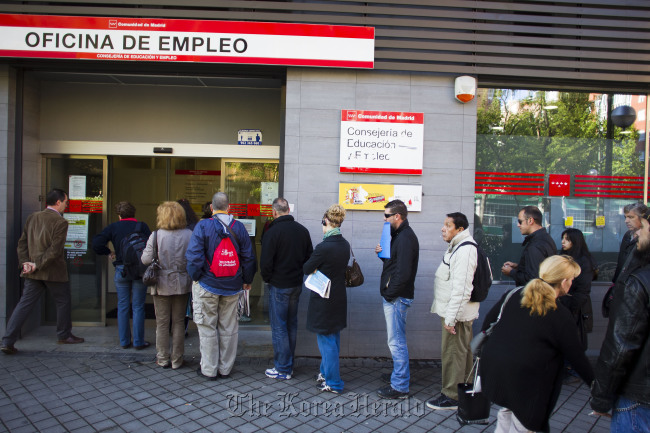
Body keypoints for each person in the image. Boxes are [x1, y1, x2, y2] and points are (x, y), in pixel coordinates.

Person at [480, 255, 594, 433]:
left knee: (506, 413)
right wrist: (598, 389)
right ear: (564, 282)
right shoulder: (560, 315)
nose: (572, 284)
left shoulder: (515, 293)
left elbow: (488, 323)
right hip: (527, 384)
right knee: (523, 425)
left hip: (497, 373)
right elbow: (577, 358)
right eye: (571, 280)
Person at [1, 189, 84, 354]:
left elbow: (22, 243)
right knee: (63, 302)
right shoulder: (60, 222)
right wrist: (37, 265)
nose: (66, 206)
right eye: (66, 202)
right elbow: (55, 250)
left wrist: (26, 263)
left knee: (24, 304)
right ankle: (64, 335)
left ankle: (7, 340)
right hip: (52, 271)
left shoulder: (33, 217)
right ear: (58, 202)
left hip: (33, 271)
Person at [185, 192, 257, 380]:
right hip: (233, 286)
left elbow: (194, 256)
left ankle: (209, 370)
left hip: (207, 284)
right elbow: (249, 257)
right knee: (229, 327)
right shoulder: (239, 227)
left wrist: (196, 277)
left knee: (207, 327)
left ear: (211, 208)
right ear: (229, 207)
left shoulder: (203, 226)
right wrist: (246, 281)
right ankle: (225, 369)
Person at [591, 210, 650, 432]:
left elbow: (621, 345)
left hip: (638, 397)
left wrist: (601, 397)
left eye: (642, 228)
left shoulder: (640, 282)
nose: (637, 235)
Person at [427, 212, 479, 410]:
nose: (443, 228)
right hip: (457, 313)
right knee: (461, 354)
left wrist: (451, 318)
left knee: (453, 353)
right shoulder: (458, 247)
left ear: (459, 229)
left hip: (456, 315)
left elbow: (462, 289)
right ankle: (464, 390)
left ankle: (451, 396)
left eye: (448, 225)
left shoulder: (465, 250)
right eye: (444, 224)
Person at [261, 197, 313, 380]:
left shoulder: (272, 232)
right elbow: (309, 257)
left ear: (274, 212)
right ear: (288, 211)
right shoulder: (302, 231)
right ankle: (288, 366)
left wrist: (267, 279)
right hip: (296, 284)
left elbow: (265, 263)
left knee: (279, 327)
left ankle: (283, 368)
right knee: (291, 325)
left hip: (279, 285)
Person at [374, 199, 420, 399]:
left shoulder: (405, 238)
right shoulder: (399, 235)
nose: (384, 219)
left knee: (397, 342)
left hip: (397, 298)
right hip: (396, 296)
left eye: (386, 216)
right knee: (396, 340)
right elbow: (396, 265)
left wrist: (389, 293)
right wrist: (383, 256)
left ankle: (400, 386)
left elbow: (403, 273)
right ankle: (398, 375)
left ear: (397, 217)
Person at [303, 204, 350, 393]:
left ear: (327, 222)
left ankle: (334, 382)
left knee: (326, 341)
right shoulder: (344, 244)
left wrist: (315, 267)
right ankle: (325, 372)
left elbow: (306, 268)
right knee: (333, 338)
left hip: (324, 299)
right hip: (339, 297)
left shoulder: (324, 247)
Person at [93, 201, 151, 349]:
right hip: (139, 270)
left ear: (119, 215)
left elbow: (97, 244)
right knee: (138, 306)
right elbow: (152, 245)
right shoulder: (141, 226)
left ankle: (124, 341)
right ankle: (138, 342)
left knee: (123, 306)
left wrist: (109, 252)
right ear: (134, 213)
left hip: (121, 269)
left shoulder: (113, 227)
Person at [141, 202, 192, 370]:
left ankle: (162, 358)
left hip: (161, 282)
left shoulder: (156, 235)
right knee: (178, 321)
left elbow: (145, 260)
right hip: (182, 281)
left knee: (162, 322)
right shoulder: (189, 235)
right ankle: (177, 360)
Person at [559, 228, 596, 351]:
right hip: (562, 306)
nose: (563, 242)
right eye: (562, 238)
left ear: (575, 241)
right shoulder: (561, 257)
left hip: (575, 310)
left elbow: (582, 291)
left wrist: (569, 306)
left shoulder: (584, 261)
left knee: (574, 346)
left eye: (567, 239)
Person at [501, 205, 556, 286]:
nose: (518, 225)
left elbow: (533, 279)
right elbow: (538, 268)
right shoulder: (545, 238)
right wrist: (519, 267)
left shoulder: (536, 245)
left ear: (530, 220)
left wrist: (511, 272)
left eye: (520, 221)